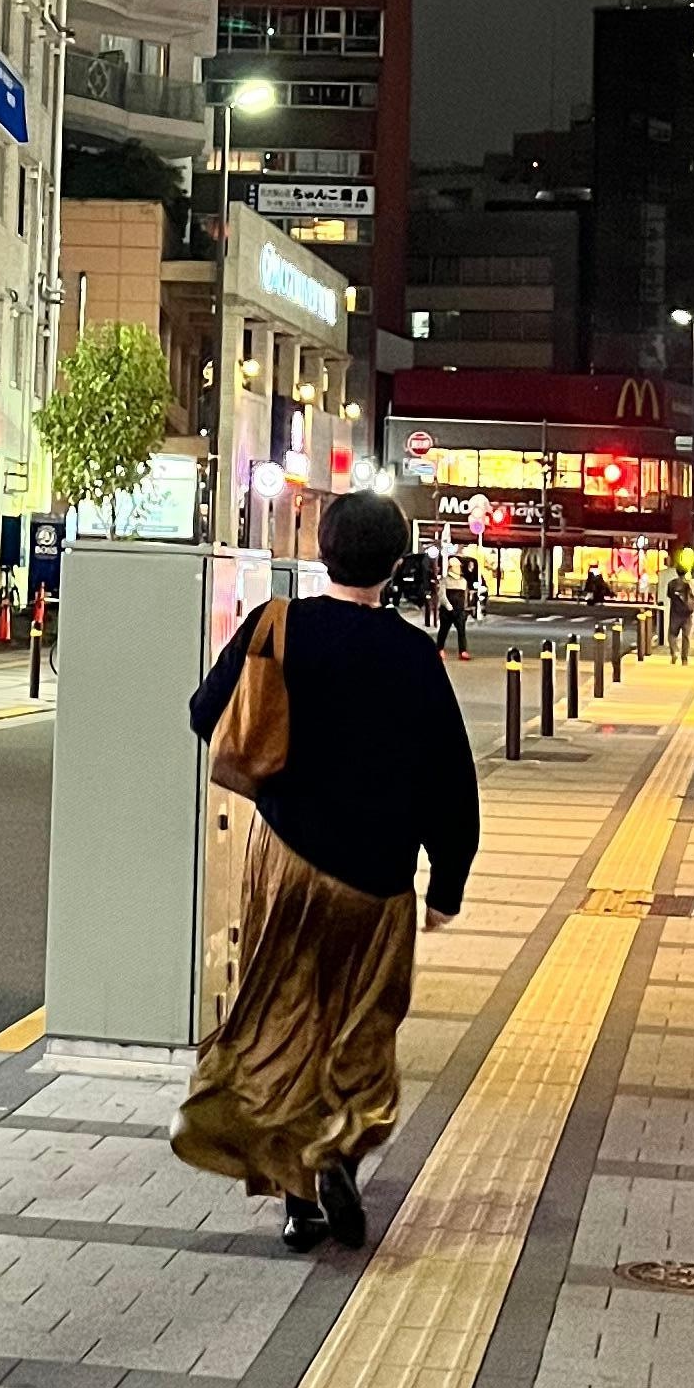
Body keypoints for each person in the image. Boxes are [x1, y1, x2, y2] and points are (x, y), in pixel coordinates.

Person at [174, 485, 482, 1254]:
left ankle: (298, 1199)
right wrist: (446, 884)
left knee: (283, 1022)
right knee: (363, 1026)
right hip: (378, 878)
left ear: (322, 550)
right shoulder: (413, 654)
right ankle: (340, 1149)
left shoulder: (278, 625)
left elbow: (206, 713)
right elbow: (450, 779)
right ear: (396, 564)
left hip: (287, 863)